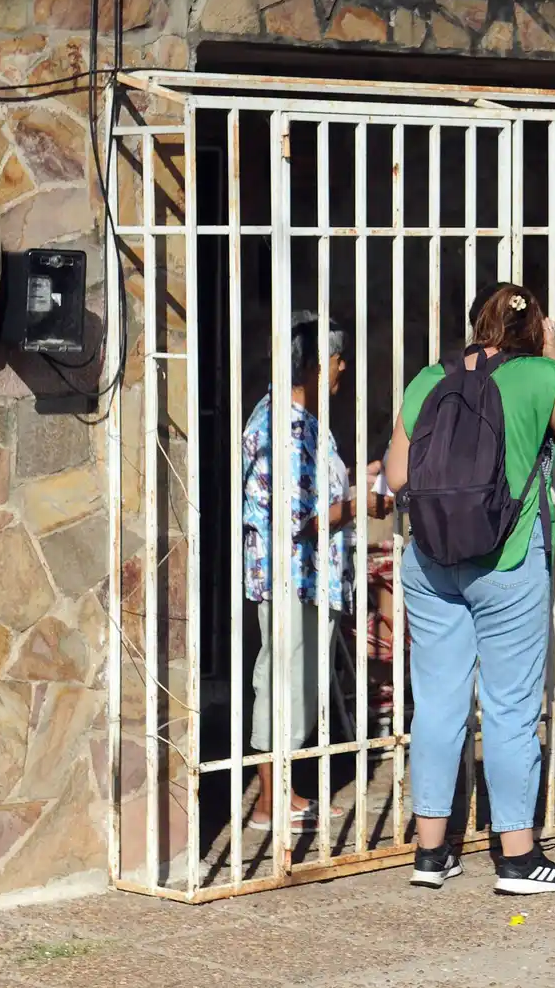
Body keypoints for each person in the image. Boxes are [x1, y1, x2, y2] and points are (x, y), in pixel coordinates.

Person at [385, 282, 555, 895]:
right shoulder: (537, 375)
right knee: (508, 707)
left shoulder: (430, 379)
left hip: (430, 561)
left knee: (438, 703)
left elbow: (399, 474)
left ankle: (431, 853)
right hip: (507, 558)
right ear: (534, 328)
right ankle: (516, 858)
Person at [241, 312, 376, 834]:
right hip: (291, 576)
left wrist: (358, 480)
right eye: (339, 362)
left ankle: (285, 793)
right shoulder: (285, 428)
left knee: (295, 683)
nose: (343, 373)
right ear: (319, 365)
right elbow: (299, 519)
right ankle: (269, 803)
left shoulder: (296, 420)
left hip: (307, 576)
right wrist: (361, 503)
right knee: (284, 684)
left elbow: (313, 492)